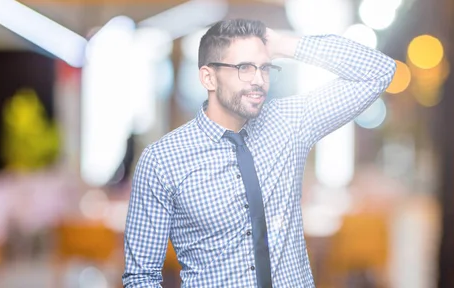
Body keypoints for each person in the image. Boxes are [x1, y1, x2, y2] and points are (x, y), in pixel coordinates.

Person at [122, 18, 396, 288]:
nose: (259, 80)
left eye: (264, 68)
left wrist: (282, 44)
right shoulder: (162, 160)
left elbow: (379, 70)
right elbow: (141, 277)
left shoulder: (289, 123)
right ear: (209, 77)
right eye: (244, 67)